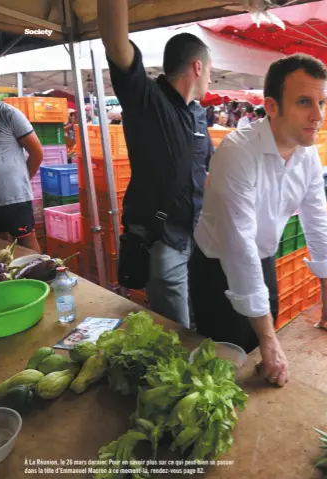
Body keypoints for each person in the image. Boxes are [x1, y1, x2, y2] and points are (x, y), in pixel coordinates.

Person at [190, 54, 327, 387]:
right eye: (305, 102)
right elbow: (238, 244)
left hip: (262, 257)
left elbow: (317, 219)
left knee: (263, 349)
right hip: (217, 265)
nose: (318, 116)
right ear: (272, 107)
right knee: (224, 361)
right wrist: (268, 339)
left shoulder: (307, 154)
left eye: (322, 102)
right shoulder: (238, 151)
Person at [97, 0, 212, 329]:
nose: (211, 81)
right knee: (176, 332)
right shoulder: (146, 99)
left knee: (196, 325)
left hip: (195, 240)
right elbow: (116, 43)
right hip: (163, 244)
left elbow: (208, 173)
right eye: (211, 71)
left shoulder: (198, 116)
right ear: (198, 67)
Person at [0, 75, 44, 253]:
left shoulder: (8, 114)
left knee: (26, 241)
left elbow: (36, 152)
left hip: (13, 196)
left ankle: (38, 277)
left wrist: (24, 179)